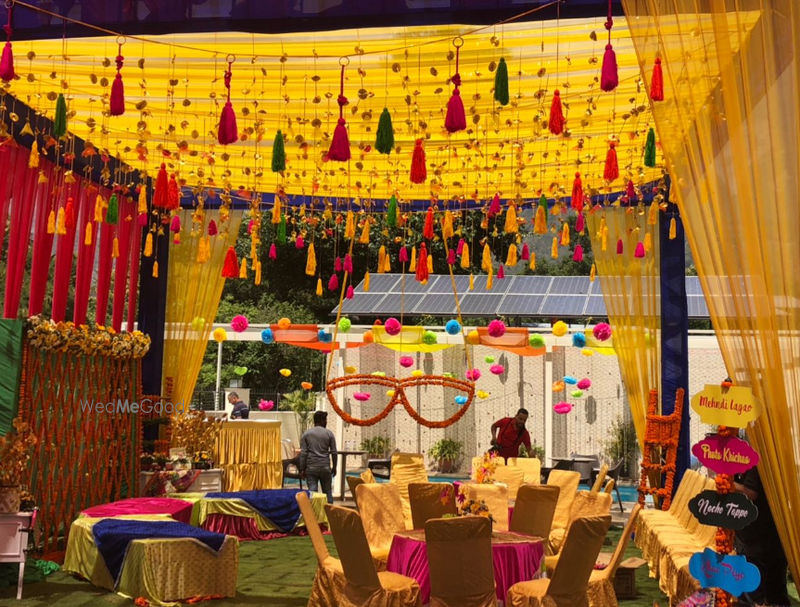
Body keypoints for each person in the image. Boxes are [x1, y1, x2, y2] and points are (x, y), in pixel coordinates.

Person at [734, 466, 790, 607]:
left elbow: (750, 493)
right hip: (775, 536)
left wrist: (724, 481)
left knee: (752, 595)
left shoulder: (757, 459)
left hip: (757, 540)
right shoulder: (769, 456)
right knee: (776, 592)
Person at [299, 411, 337, 504]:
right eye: (325, 420)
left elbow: (303, 453)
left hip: (311, 467)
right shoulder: (329, 434)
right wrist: (334, 466)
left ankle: (314, 515)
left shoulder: (306, 434)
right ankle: (330, 514)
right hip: (325, 467)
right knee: (327, 492)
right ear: (322, 420)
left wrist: (302, 468)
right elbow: (334, 452)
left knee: (313, 492)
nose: (326, 422)